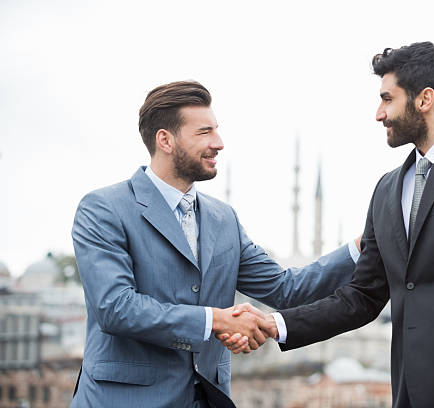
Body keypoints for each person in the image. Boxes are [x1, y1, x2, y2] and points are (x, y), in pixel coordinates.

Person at [228, 42, 434, 407]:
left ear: (425, 99)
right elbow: (362, 296)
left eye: (387, 99)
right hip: (411, 390)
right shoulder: (387, 188)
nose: (378, 113)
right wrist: (275, 324)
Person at [70, 80, 360, 408]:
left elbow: (286, 289)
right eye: (204, 132)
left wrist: (362, 246)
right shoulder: (104, 208)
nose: (219, 143)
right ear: (165, 140)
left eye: (217, 130)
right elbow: (115, 308)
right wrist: (216, 320)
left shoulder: (224, 220)